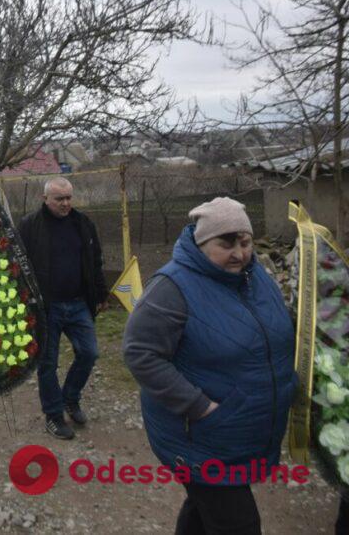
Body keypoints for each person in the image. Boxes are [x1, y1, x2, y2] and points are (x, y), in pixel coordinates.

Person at [123, 197, 295, 534]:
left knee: (204, 513)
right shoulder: (172, 286)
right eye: (226, 243)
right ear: (201, 245)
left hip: (241, 431)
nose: (239, 253)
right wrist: (199, 407)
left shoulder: (255, 277)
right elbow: (140, 352)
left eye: (245, 242)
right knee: (239, 524)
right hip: (203, 437)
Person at [18, 177, 107, 440]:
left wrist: (101, 294)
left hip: (79, 303)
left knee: (89, 353)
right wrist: (26, 303)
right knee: (47, 364)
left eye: (69, 197)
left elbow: (95, 261)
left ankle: (70, 398)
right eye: (60, 199)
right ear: (45, 199)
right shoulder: (30, 226)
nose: (66, 203)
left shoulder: (83, 223)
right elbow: (19, 266)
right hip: (47, 307)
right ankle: (54, 415)